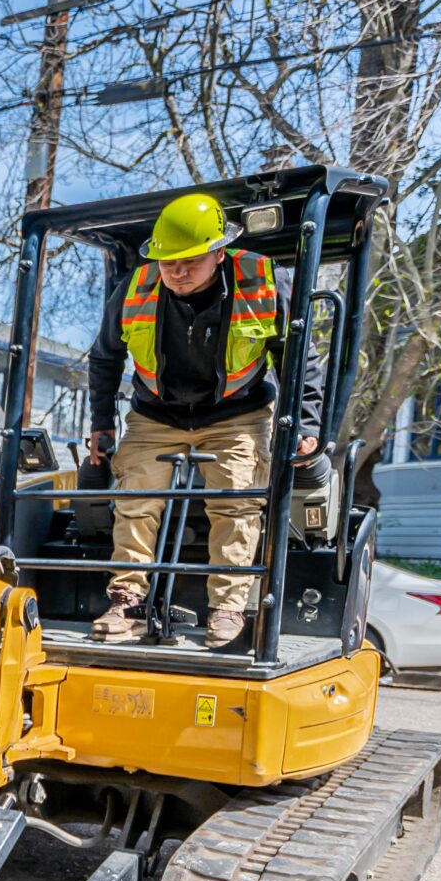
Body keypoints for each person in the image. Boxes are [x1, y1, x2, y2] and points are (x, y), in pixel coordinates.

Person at [87, 190, 322, 645]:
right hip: (156, 414)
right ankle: (127, 602)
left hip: (238, 412)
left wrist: (307, 425)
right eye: (167, 261)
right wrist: (101, 424)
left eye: (189, 261)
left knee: (237, 501)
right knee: (136, 498)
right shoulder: (135, 287)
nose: (175, 272)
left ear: (218, 253)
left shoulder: (262, 281)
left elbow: (301, 358)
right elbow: (104, 358)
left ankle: (228, 609)